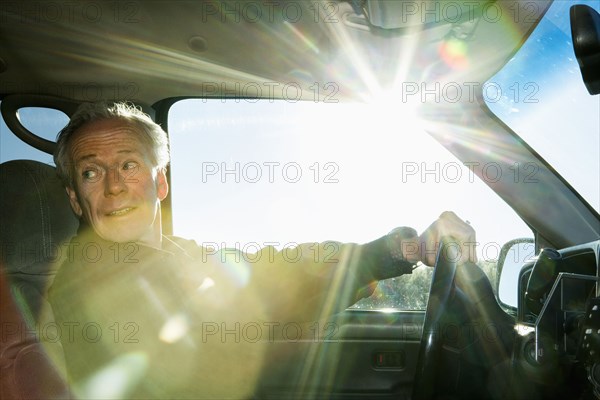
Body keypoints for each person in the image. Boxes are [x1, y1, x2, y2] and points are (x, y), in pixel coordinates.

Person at [47, 102, 477, 399]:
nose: (115, 185)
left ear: (161, 182)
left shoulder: (177, 252)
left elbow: (271, 267)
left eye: (128, 165)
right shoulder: (87, 281)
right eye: (90, 172)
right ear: (73, 199)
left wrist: (407, 248)